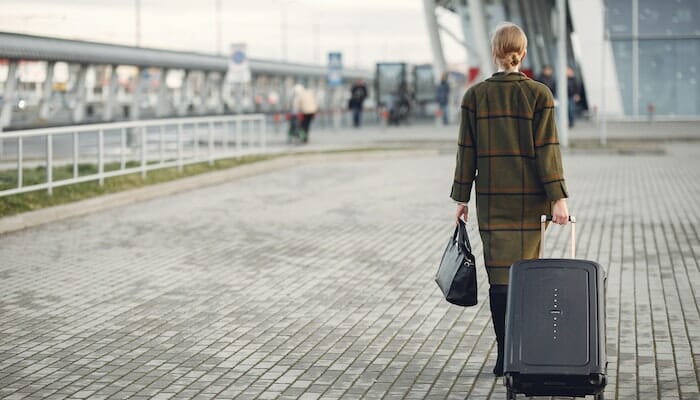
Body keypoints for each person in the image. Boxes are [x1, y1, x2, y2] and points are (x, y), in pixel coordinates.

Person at [450, 22, 570, 377]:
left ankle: (505, 356)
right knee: (527, 277)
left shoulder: (474, 96)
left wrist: (462, 198)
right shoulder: (539, 94)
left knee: (500, 279)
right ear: (523, 51)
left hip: (492, 201)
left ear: (494, 52)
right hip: (531, 203)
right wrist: (558, 199)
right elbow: (548, 151)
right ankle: (524, 354)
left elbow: (465, 152)